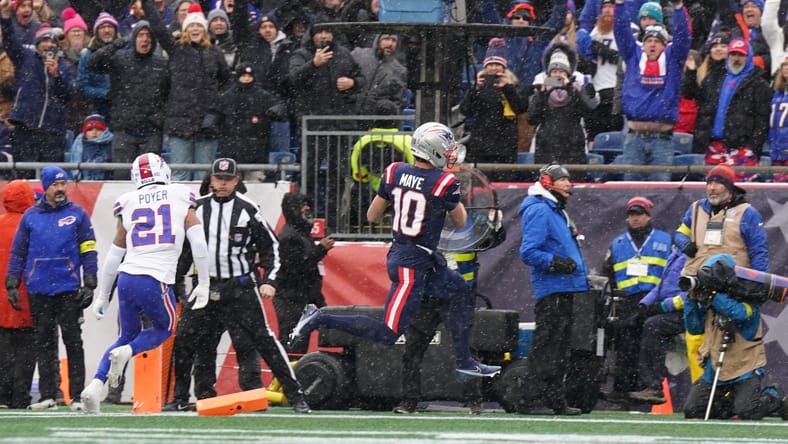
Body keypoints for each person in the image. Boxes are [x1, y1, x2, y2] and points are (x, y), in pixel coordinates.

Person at [288, 122, 501, 379]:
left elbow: (372, 215)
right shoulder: (444, 182)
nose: (449, 154)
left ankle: (465, 361)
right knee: (389, 332)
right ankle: (319, 317)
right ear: (433, 150)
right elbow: (459, 222)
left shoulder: (395, 171)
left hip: (413, 254)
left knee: (458, 289)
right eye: (446, 149)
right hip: (411, 263)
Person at [174, 157, 312, 413]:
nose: (223, 183)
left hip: (239, 288)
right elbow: (184, 251)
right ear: (211, 179)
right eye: (219, 178)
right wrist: (178, 285)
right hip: (205, 287)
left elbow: (271, 248)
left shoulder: (248, 208)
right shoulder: (197, 209)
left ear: (237, 181)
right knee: (186, 341)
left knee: (264, 340)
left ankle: (296, 396)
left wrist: (270, 279)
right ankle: (183, 397)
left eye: (228, 179)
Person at [79, 153, 212, 415]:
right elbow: (198, 242)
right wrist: (204, 282)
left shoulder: (128, 201)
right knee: (164, 329)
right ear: (165, 171)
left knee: (126, 335)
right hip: (155, 279)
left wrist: (103, 296)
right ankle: (127, 353)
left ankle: (95, 386)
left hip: (127, 278)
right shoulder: (179, 194)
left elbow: (114, 255)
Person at [5, 166, 97, 411]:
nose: (60, 188)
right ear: (46, 186)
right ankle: (48, 396)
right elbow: (18, 252)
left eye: (63, 184)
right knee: (44, 344)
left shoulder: (78, 214)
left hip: (68, 289)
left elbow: (88, 248)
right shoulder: (30, 216)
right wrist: (12, 283)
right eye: (55, 184)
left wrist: (90, 282)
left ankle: (77, 396)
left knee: (73, 342)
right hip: (39, 290)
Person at [515, 163, 587, 415]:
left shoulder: (554, 210)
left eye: (569, 179)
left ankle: (554, 399)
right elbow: (528, 252)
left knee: (558, 348)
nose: (568, 183)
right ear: (547, 182)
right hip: (553, 288)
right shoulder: (541, 210)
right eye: (562, 179)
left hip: (563, 287)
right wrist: (556, 263)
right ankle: (529, 399)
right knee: (546, 347)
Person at [682, 254, 786, 419]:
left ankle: (775, 396)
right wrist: (692, 300)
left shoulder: (749, 295)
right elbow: (694, 328)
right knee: (693, 410)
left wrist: (713, 296)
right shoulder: (709, 298)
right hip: (716, 365)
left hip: (745, 365)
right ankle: (733, 404)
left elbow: (739, 314)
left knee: (747, 411)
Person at [142, 0, 231, 181]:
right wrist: (146, 4)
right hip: (179, 125)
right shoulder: (176, 50)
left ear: (205, 29)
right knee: (179, 175)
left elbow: (226, 86)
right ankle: (180, 211)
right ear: (185, 29)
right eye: (192, 26)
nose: (195, 29)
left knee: (203, 177)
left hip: (207, 126)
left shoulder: (215, 53)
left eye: (199, 25)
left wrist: (215, 114)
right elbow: (158, 28)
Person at [601, 196, 672, 401]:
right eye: (631, 214)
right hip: (626, 301)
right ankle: (622, 390)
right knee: (624, 345)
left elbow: (672, 272)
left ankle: (646, 388)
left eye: (639, 214)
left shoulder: (666, 240)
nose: (635, 218)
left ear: (649, 216)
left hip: (653, 301)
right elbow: (608, 273)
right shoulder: (618, 243)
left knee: (648, 343)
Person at [614, 0, 690, 181]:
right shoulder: (633, 55)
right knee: (630, 192)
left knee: (661, 193)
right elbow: (621, 31)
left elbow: (683, 37)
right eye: (649, 41)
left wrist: (679, 8)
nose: (652, 45)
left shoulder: (673, 60)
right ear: (643, 43)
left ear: (664, 45)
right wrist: (619, 4)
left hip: (662, 140)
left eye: (657, 41)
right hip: (633, 139)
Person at [87, 20, 169, 181]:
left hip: (151, 130)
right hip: (124, 129)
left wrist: (160, 118)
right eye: (140, 35)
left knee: (151, 178)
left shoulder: (161, 64)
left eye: (148, 36)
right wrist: (114, 45)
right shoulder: (120, 59)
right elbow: (93, 64)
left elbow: (169, 94)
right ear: (134, 39)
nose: (144, 39)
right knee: (122, 177)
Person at [1, 0, 74, 179]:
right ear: (37, 42)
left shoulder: (64, 66)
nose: (48, 45)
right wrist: (5, 17)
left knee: (50, 178)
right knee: (24, 177)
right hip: (25, 128)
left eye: (52, 41)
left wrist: (56, 76)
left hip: (52, 131)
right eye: (44, 41)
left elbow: (68, 96)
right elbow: (10, 40)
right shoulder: (25, 57)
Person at [694, 38, 771, 178]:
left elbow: (763, 119)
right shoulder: (714, 78)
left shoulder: (759, 84)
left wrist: (752, 147)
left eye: (741, 55)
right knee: (713, 190)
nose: (736, 59)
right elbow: (700, 105)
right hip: (714, 146)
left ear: (749, 58)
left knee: (740, 192)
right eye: (733, 54)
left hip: (742, 149)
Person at [675, 164, 768, 279]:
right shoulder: (696, 208)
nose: (712, 188)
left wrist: (757, 281)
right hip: (696, 279)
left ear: (729, 188)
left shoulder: (747, 213)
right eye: (709, 183)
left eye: (718, 183)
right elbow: (680, 233)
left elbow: (758, 251)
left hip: (730, 283)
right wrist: (684, 244)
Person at [274, 192, 334, 355]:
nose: (307, 208)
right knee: (292, 346)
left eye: (308, 204)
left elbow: (307, 271)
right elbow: (297, 269)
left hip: (302, 299)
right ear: (292, 209)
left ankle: (292, 377)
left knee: (298, 345)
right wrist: (320, 250)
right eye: (302, 205)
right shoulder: (289, 236)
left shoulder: (301, 233)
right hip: (291, 301)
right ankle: (286, 379)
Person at [459, 37, 526, 182]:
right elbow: (465, 110)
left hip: (505, 147)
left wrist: (507, 88)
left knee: (503, 186)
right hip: (481, 146)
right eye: (491, 64)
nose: (494, 68)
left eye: (497, 64)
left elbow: (520, 108)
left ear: (504, 67)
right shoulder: (478, 87)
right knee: (481, 186)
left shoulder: (512, 86)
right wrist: (475, 88)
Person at [528, 42, 597, 182]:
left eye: (561, 72)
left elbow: (589, 111)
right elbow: (531, 118)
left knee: (572, 182)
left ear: (568, 74)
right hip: (547, 146)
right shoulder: (542, 93)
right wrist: (541, 94)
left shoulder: (576, 90)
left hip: (572, 147)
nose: (557, 75)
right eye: (554, 72)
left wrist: (571, 89)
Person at [627, 248, 687, 404]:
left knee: (654, 326)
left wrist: (663, 307)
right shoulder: (678, 252)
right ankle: (630, 386)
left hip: (691, 311)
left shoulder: (698, 253)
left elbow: (691, 294)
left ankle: (654, 386)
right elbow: (661, 286)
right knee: (629, 325)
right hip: (672, 308)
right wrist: (644, 305)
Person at [0, 180, 36, 409]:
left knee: (4, 348)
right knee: (26, 347)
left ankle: (2, 395)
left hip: (2, 298)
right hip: (27, 295)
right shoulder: (32, 225)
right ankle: (20, 396)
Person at [681, 31, 730, 154]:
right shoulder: (705, 76)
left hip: (726, 135)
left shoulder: (733, 76)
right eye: (714, 46)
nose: (718, 49)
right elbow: (690, 94)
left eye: (723, 46)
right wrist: (691, 73)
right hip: (705, 135)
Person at [350, 33, 407, 123]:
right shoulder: (358, 55)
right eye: (386, 39)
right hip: (349, 116)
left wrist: (383, 123)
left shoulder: (399, 70)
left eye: (394, 40)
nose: (390, 43)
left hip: (375, 123)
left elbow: (397, 103)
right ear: (378, 41)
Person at [76, 11, 120, 122]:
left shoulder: (125, 51)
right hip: (97, 109)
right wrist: (105, 93)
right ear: (96, 31)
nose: (107, 30)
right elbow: (82, 86)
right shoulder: (87, 56)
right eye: (102, 27)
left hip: (123, 109)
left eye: (110, 26)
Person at [68, 114, 113, 180]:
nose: (94, 132)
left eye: (98, 129)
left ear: (104, 131)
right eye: (90, 130)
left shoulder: (111, 144)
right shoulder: (79, 145)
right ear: (85, 132)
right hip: (84, 182)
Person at [769, 56, 788, 182]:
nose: (787, 68)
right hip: (777, 151)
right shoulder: (776, 93)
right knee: (779, 196)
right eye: (785, 65)